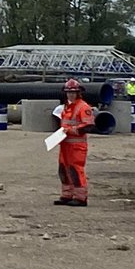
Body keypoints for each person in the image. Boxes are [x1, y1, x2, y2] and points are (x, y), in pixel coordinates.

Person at [55, 78, 96, 207]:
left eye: (73, 92)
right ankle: (67, 194)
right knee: (63, 169)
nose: (70, 95)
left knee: (76, 170)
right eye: (68, 92)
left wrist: (70, 130)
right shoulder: (66, 107)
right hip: (65, 144)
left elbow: (88, 126)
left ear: (78, 93)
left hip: (77, 145)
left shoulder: (83, 107)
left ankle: (80, 197)